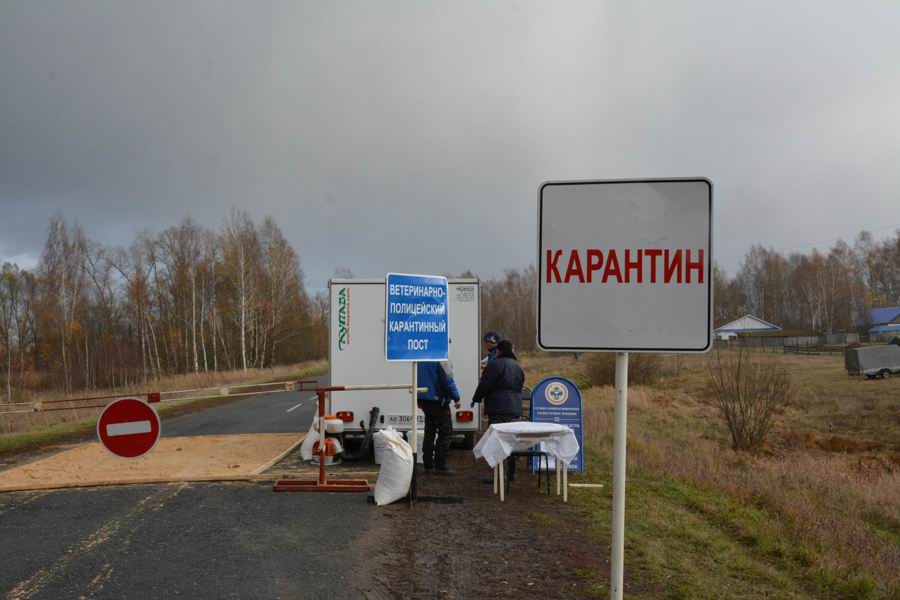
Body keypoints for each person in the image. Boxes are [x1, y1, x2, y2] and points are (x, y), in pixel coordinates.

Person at [471, 339, 524, 481]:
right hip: (514, 409)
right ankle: (511, 474)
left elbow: (484, 385)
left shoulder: (494, 365)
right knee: (511, 442)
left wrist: (476, 398)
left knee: (497, 441)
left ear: (499, 351)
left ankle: (498, 476)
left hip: (497, 408)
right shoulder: (518, 366)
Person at [417, 360, 461, 475]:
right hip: (438, 401)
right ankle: (441, 465)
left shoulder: (421, 359)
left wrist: (419, 398)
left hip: (425, 400)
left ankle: (428, 464)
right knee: (445, 432)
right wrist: (456, 397)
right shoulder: (442, 360)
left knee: (429, 432)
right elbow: (447, 380)